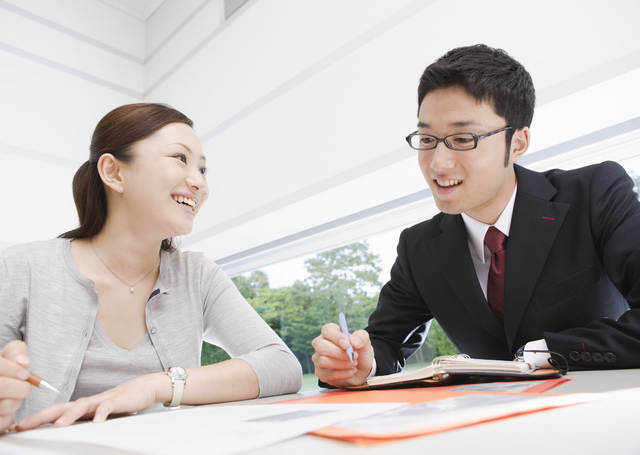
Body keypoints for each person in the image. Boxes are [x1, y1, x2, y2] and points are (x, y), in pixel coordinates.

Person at [312, 44, 640, 388]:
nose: (437, 164)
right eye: (427, 138)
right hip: (481, 429)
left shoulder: (594, 194)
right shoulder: (418, 246)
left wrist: (546, 353)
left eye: (463, 138)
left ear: (517, 143)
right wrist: (359, 363)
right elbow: (384, 342)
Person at [0, 103, 302, 433]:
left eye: (203, 169)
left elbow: (282, 365)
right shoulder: (20, 269)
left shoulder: (196, 275)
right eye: (180, 158)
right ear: (113, 172)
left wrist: (156, 386)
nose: (199, 182)